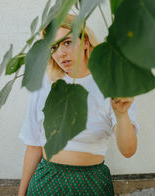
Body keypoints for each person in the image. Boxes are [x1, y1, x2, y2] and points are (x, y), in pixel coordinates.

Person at [18, 13, 139, 196]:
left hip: (92, 184)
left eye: (67, 42)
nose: (60, 53)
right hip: (45, 182)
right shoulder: (44, 85)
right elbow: (34, 145)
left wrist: (122, 115)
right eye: (53, 47)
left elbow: (128, 151)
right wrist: (21, 194)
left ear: (85, 41)